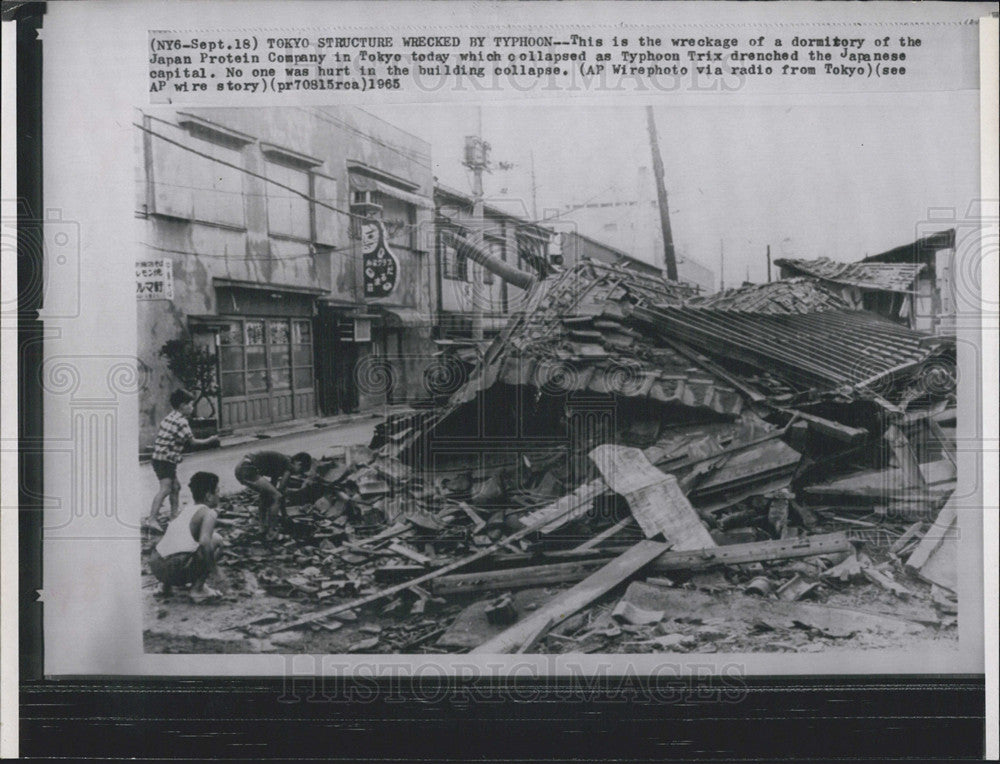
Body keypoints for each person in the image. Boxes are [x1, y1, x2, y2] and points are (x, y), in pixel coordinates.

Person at [145, 389, 220, 531]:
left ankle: (174, 517)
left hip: (160, 458)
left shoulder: (170, 417)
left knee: (176, 487)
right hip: (165, 459)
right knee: (166, 489)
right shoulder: (182, 422)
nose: (192, 408)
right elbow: (193, 443)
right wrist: (210, 439)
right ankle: (152, 519)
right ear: (182, 406)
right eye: (190, 405)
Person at [149, 471, 225, 602]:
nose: (220, 495)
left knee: (179, 542)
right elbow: (205, 544)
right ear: (208, 496)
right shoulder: (209, 513)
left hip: (156, 567)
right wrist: (216, 572)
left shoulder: (187, 509)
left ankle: (164, 586)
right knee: (217, 540)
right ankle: (198, 589)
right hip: (174, 568)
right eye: (217, 491)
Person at [234, 450, 312, 536]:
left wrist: (283, 513)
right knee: (276, 496)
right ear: (298, 463)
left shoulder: (281, 462)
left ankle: (262, 528)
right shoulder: (288, 465)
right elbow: (280, 494)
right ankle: (272, 530)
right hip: (247, 468)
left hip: (241, 467)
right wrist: (284, 515)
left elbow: (273, 488)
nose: (297, 474)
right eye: (300, 471)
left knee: (265, 495)